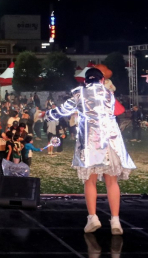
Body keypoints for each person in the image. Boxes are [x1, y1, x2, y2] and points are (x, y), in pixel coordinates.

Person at [46, 68, 135, 235]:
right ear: (102, 81)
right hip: (111, 142)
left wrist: (48, 114)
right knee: (112, 182)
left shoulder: (80, 93)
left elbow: (64, 110)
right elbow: (116, 111)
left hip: (90, 143)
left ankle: (93, 217)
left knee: (90, 180)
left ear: (85, 81)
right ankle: (115, 220)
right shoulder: (109, 94)